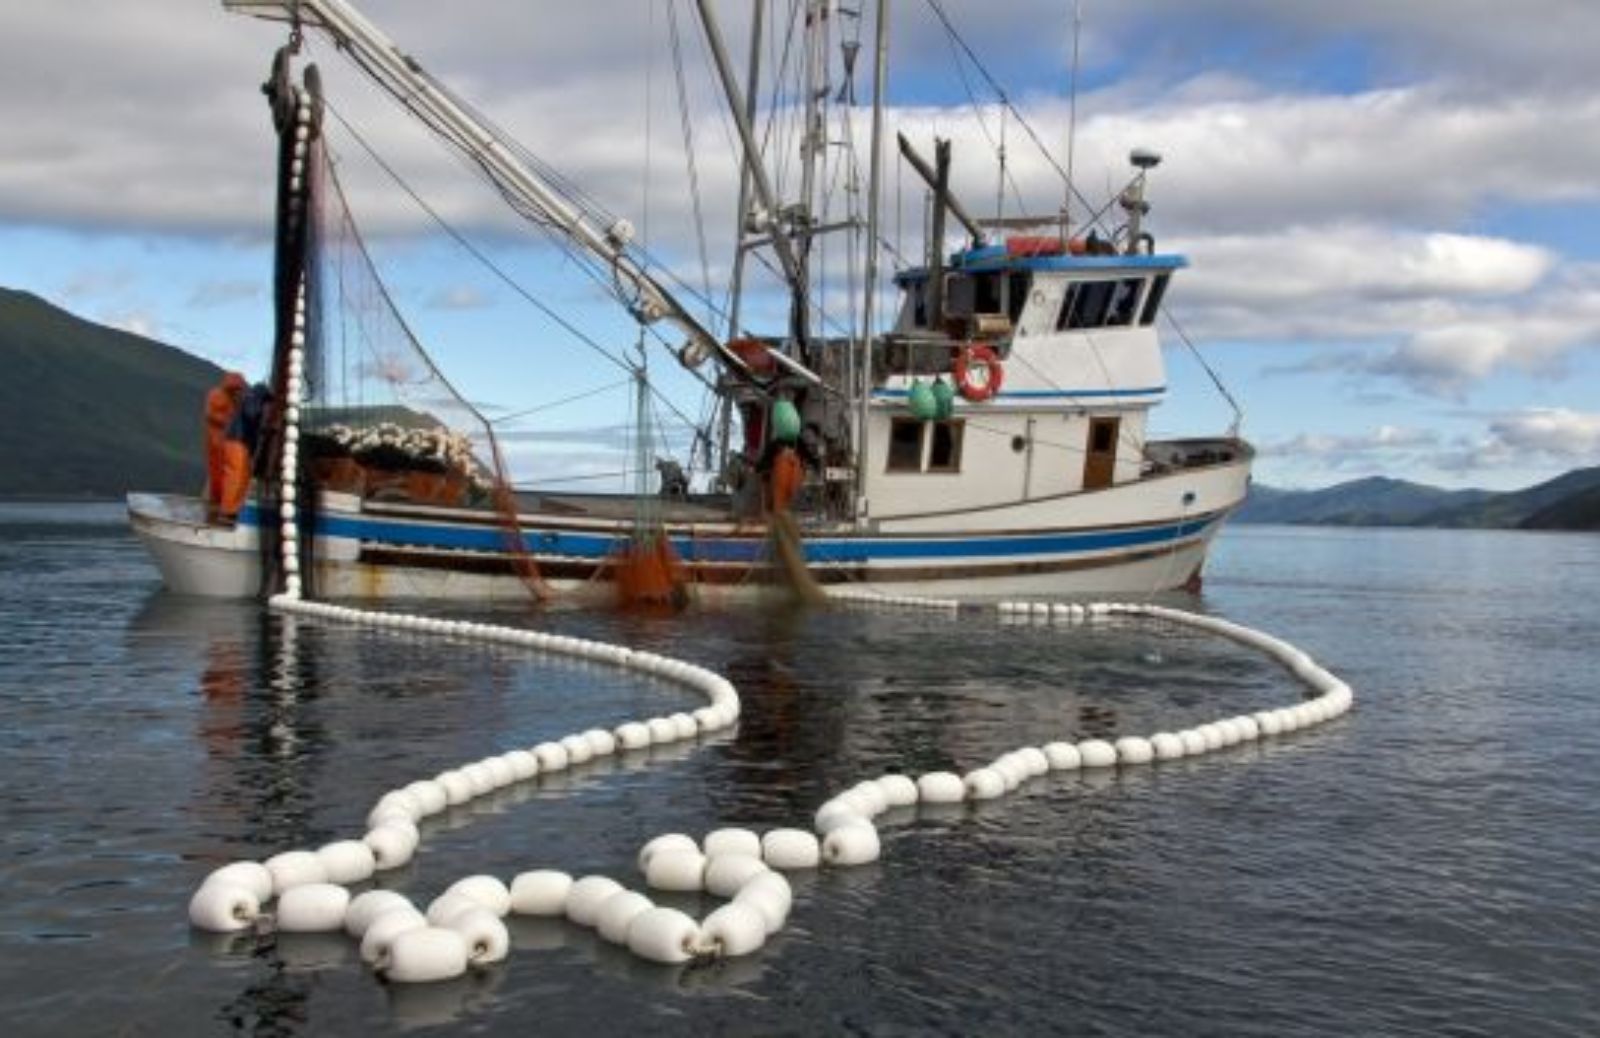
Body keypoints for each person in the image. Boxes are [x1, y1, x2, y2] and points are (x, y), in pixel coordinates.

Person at [217, 381, 274, 526]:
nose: (268, 405)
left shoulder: (248, 397)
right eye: (267, 401)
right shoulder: (253, 399)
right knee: (235, 478)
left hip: (238, 443)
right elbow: (251, 414)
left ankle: (232, 510)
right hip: (238, 443)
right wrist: (265, 423)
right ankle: (226, 512)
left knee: (241, 478)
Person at [203, 372, 247, 522]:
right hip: (217, 440)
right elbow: (210, 415)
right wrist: (228, 420)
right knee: (217, 473)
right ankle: (219, 506)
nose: (238, 392)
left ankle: (222, 506)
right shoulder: (217, 395)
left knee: (225, 473)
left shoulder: (234, 400)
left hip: (226, 442)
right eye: (236, 389)